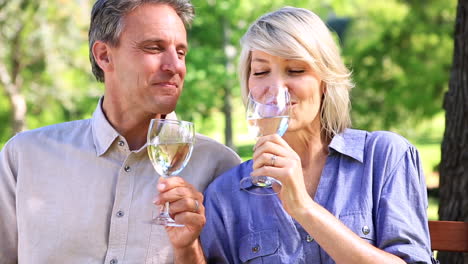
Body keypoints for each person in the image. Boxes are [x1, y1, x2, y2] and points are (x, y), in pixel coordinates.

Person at [0, 0, 240, 263]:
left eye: (181, 52)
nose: (175, 66)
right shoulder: (24, 157)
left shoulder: (220, 167)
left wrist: (188, 250)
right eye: (154, 48)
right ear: (104, 55)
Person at [200, 6, 436, 264]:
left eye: (296, 70)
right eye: (261, 71)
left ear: (325, 80)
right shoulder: (225, 195)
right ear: (248, 83)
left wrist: (304, 208)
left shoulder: (385, 157)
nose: (277, 88)